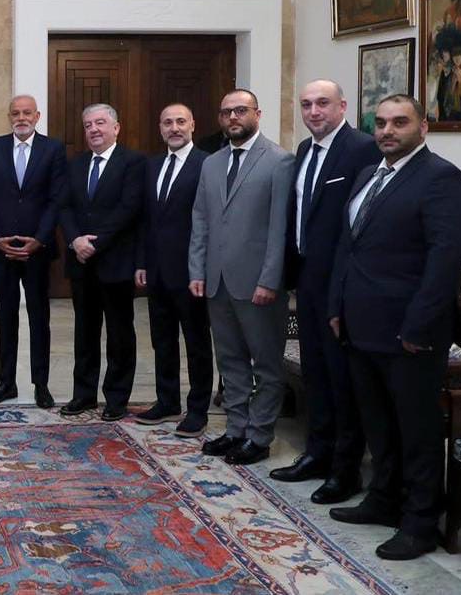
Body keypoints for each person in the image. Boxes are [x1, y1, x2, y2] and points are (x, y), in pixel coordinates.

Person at [328, 94, 461, 561]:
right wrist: (336, 306)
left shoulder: (442, 179)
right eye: (381, 123)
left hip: (410, 332)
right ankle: (383, 499)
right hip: (360, 326)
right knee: (379, 424)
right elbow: (349, 246)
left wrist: (418, 326)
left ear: (423, 127)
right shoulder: (370, 175)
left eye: (399, 122)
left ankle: (421, 522)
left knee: (417, 431)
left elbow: (444, 262)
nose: (387, 131)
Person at [270, 80, 381, 504]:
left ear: (342, 106)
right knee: (315, 372)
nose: (313, 112)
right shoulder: (304, 150)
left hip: (342, 285)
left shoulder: (362, 149)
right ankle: (317, 453)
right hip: (308, 281)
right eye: (306, 105)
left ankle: (345, 469)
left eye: (322, 103)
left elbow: (360, 222)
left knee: (341, 378)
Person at [188, 88, 293, 466]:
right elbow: (200, 219)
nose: (233, 117)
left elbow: (280, 228)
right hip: (217, 281)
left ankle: (259, 436)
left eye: (241, 110)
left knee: (265, 365)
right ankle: (235, 429)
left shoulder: (280, 161)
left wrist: (270, 279)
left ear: (257, 114)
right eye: (226, 112)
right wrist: (197, 269)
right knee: (230, 361)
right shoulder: (211, 163)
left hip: (259, 284)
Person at [0, 94, 69, 408]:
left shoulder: (53, 149)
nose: (21, 118)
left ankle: (41, 384)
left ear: (37, 116)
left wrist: (39, 239)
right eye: (15, 113)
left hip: (37, 252)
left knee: (39, 318)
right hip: (2, 251)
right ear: (9, 117)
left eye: (27, 113)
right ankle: (7, 383)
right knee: (6, 317)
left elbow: (56, 199)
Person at [57, 103, 146, 421]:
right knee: (84, 331)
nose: (93, 129)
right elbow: (64, 206)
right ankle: (83, 394)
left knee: (120, 333)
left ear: (116, 128)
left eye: (100, 123)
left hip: (115, 262)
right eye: (88, 125)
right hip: (81, 263)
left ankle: (117, 398)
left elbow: (129, 209)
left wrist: (95, 243)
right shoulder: (76, 164)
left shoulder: (133, 162)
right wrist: (75, 240)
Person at [133, 103, 213, 438]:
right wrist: (141, 261)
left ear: (193, 124)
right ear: (160, 128)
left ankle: (197, 410)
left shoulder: (207, 164)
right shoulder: (152, 165)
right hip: (157, 271)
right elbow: (145, 219)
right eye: (168, 123)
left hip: (191, 273)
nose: (174, 128)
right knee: (162, 340)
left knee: (196, 343)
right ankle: (167, 401)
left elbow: (210, 221)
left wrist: (202, 268)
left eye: (181, 121)